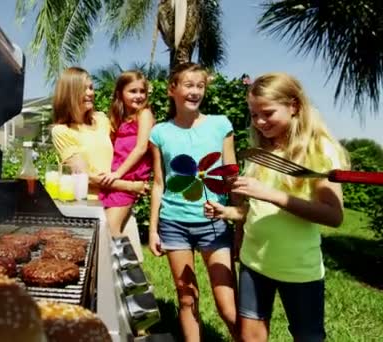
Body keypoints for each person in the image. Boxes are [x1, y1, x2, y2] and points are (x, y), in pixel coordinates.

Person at [204, 72, 350, 342]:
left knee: (308, 337)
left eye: (267, 113)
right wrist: (229, 213)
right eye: (254, 114)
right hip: (254, 263)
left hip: (298, 270)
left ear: (294, 106)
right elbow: (257, 211)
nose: (259, 122)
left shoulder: (319, 149)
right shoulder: (260, 152)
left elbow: (334, 215)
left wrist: (271, 194)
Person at [148, 62, 238, 341]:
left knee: (227, 306)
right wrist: (153, 229)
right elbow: (159, 183)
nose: (195, 91)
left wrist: (237, 217)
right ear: (172, 89)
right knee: (187, 298)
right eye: (189, 85)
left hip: (215, 223)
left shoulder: (221, 125)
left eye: (200, 86)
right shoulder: (160, 133)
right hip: (174, 224)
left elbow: (231, 175)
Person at [50, 67, 148, 201]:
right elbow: (85, 177)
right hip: (89, 204)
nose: (90, 93)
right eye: (84, 89)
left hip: (117, 198)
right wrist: (131, 186)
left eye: (91, 88)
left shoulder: (101, 119)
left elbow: (125, 146)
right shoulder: (62, 131)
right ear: (70, 93)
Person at [99, 70, 155, 237]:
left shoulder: (144, 114)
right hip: (117, 181)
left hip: (128, 179)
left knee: (109, 230)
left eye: (142, 91)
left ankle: (121, 263)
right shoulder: (121, 118)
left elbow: (141, 148)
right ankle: (129, 263)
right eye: (133, 91)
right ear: (120, 94)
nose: (138, 96)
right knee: (111, 229)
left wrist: (117, 174)